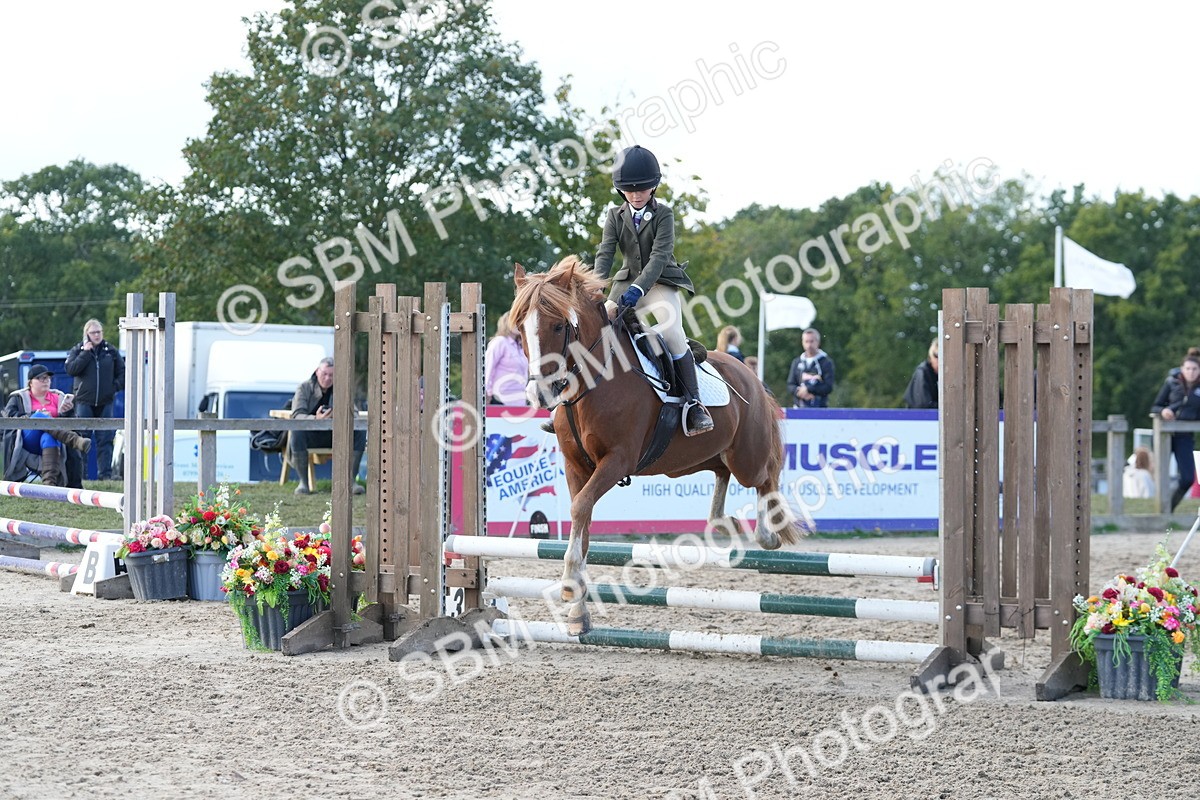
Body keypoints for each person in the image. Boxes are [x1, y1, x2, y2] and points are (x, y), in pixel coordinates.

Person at [594, 144, 712, 436]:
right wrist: (596, 287)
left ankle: (694, 404)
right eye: (630, 190)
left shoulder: (664, 214)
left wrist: (638, 288)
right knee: (593, 327)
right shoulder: (613, 215)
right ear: (621, 190)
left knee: (671, 333)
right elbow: (605, 253)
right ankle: (568, 400)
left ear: (654, 187)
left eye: (642, 189)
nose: (636, 195)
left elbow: (660, 257)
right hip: (625, 284)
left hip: (659, 283)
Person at [2, 365, 92, 486]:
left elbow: (71, 423)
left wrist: (67, 412)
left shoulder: (58, 397)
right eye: (40, 378)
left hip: (55, 442)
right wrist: (35, 414)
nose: (45, 381)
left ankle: (49, 484)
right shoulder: (18, 397)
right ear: (30, 383)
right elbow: (9, 415)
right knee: (39, 417)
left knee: (49, 436)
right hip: (28, 441)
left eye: (47, 378)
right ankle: (74, 440)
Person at [289, 357, 366, 496]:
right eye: (324, 374)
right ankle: (303, 483)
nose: (327, 378)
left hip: (335, 434)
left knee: (359, 431)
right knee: (296, 431)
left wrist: (339, 415)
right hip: (311, 435)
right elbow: (296, 415)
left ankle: (351, 482)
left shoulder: (342, 389)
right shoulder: (304, 387)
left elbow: (354, 414)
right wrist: (316, 418)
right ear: (317, 372)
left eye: (331, 375)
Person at [65, 318, 125, 480]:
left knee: (105, 439)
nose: (97, 335)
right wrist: (85, 353)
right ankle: (81, 476)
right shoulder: (77, 350)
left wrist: (114, 387)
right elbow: (71, 369)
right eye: (93, 332)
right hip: (84, 401)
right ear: (87, 334)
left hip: (105, 402)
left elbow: (123, 373)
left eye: (99, 332)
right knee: (83, 439)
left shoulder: (110, 351)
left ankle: (105, 476)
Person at [1151, 355, 1200, 512]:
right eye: (1188, 368)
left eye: (1194, 369)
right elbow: (1155, 407)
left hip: (1184, 436)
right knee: (1160, 475)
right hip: (1164, 435)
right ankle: (1159, 510)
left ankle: (1168, 509)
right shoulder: (1171, 383)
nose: (1191, 372)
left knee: (1187, 478)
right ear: (1182, 369)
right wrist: (1164, 411)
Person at [484, 312, 529, 405]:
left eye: (520, 321)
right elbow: (488, 367)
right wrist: (485, 392)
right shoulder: (499, 342)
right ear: (506, 323)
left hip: (519, 401)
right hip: (500, 399)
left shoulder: (521, 347)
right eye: (514, 321)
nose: (518, 324)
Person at [786, 328, 835, 408]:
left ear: (818, 342)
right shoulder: (796, 362)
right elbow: (790, 385)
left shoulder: (826, 362)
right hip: (798, 409)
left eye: (812, 341)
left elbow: (828, 387)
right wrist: (799, 392)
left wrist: (809, 389)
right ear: (802, 342)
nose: (809, 345)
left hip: (820, 410)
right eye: (806, 341)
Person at [903, 339, 939, 409]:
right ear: (931, 355)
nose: (939, 360)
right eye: (936, 355)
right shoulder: (923, 372)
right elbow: (923, 404)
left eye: (943, 356)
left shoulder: (944, 376)